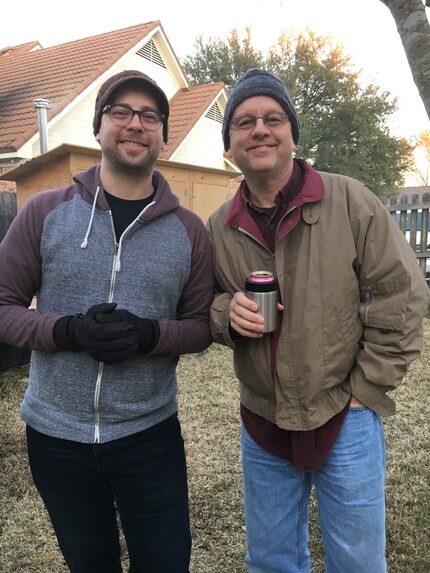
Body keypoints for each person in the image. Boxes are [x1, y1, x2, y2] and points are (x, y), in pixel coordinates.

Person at [207, 68, 430, 573]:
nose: (259, 129)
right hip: (263, 419)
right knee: (271, 560)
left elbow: (401, 295)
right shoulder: (217, 227)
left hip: (345, 413)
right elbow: (199, 304)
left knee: (357, 561)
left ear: (292, 135)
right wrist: (226, 313)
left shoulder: (350, 201)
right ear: (229, 147)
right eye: (243, 122)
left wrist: (365, 389)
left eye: (273, 118)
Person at [0, 69, 214, 573]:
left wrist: (149, 335)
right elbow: (3, 306)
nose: (135, 124)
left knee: (165, 563)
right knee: (89, 562)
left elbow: (202, 325)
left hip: (149, 433)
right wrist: (65, 330)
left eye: (149, 116)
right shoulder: (45, 213)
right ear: (98, 128)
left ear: (163, 133)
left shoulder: (188, 232)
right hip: (56, 436)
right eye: (121, 112)